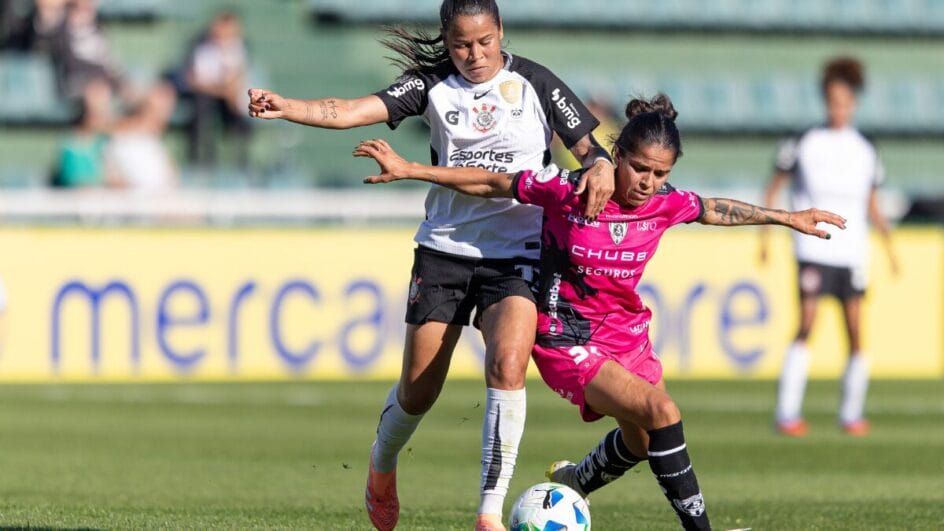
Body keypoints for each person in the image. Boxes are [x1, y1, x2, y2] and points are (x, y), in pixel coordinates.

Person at [354, 93, 846, 531]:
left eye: (661, 174)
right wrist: (414, 169)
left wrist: (788, 218)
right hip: (564, 336)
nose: (649, 183)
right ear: (617, 158)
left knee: (639, 440)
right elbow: (492, 182)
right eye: (640, 169)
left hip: (626, 336)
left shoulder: (665, 204)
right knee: (663, 413)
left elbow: (715, 208)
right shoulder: (567, 190)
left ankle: (575, 480)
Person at [247, 2, 615, 529]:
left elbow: (590, 149)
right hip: (445, 250)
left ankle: (488, 514)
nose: (475, 55)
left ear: (500, 32)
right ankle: (381, 464)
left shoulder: (536, 82)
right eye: (463, 45)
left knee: (509, 367)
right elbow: (349, 109)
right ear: (447, 41)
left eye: (485, 42)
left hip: (519, 254)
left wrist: (600, 166)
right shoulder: (432, 86)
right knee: (419, 392)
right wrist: (288, 106)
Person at [762, 56, 899, 437]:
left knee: (855, 331)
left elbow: (873, 202)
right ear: (826, 101)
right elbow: (774, 186)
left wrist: (889, 246)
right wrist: (767, 235)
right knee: (807, 323)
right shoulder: (804, 141)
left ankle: (851, 413)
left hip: (852, 251)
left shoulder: (866, 147)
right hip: (813, 249)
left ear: (852, 103)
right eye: (832, 101)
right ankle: (787, 412)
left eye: (844, 101)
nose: (838, 108)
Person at [185, 10, 251, 169]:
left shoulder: (238, 49)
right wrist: (222, 90)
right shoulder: (204, 48)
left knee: (240, 109)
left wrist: (227, 90)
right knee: (202, 106)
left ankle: (240, 162)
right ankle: (203, 160)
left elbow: (236, 79)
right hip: (210, 98)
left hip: (232, 100)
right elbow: (196, 81)